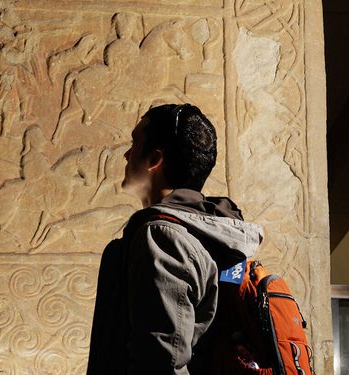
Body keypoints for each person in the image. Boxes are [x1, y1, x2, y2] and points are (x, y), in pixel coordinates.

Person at [87, 104, 263, 375]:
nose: (125, 154)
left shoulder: (162, 238)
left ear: (154, 159)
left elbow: (161, 362)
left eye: (135, 143)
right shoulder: (214, 235)